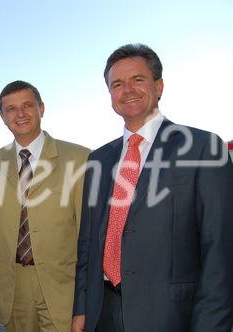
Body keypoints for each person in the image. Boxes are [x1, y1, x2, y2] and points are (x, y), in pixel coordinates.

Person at [72, 44, 233, 332]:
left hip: (171, 316)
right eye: (117, 84)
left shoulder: (202, 148)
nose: (127, 90)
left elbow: (220, 250)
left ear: (158, 86)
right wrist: (81, 309)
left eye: (138, 79)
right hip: (103, 314)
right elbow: (88, 243)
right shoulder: (98, 159)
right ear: (110, 95)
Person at [0, 80, 90, 331]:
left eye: (27, 105)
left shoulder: (80, 158)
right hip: (13, 285)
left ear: (42, 108)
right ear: (2, 117)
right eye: (11, 109)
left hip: (62, 286)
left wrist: (85, 296)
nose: (20, 114)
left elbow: (88, 235)